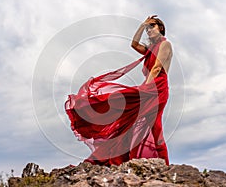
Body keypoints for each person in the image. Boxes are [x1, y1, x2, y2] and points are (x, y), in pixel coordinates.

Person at [65, 15, 173, 166]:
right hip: (149, 87)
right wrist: (142, 26)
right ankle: (121, 158)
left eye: (152, 27)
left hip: (157, 89)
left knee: (155, 126)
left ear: (160, 28)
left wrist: (145, 89)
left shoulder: (165, 44)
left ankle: (165, 166)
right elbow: (134, 44)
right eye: (147, 29)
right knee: (128, 117)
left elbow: (156, 68)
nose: (149, 31)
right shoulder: (150, 49)